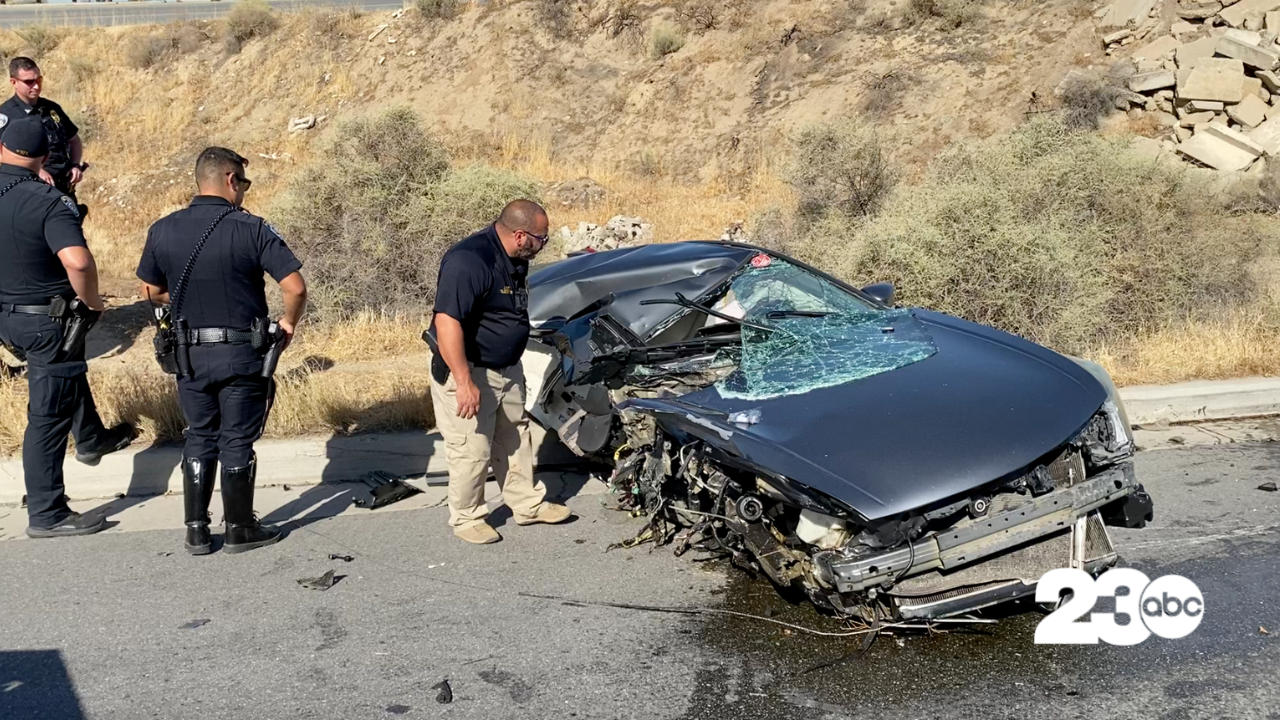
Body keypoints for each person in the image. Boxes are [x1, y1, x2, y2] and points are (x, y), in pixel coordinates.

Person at [136, 147, 307, 556]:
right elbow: (295, 287)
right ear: (230, 180)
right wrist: (288, 324)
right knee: (235, 440)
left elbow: (151, 290)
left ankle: (196, 530)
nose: (245, 191)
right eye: (244, 183)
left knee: (199, 436)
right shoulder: (251, 229)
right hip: (241, 354)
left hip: (190, 356)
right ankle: (239, 528)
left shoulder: (163, 229)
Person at [0, 117, 133, 539]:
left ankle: (91, 439)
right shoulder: (47, 200)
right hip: (45, 319)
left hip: (7, 318)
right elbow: (77, 260)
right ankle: (47, 513)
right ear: (42, 158)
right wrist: (93, 303)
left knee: (67, 373)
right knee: (47, 415)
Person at [428, 199, 574, 545]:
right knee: (471, 447)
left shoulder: (515, 257)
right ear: (521, 235)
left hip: (507, 368)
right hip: (469, 369)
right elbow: (447, 323)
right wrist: (463, 381)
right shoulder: (470, 261)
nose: (543, 245)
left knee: (513, 436)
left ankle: (526, 505)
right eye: (543, 239)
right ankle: (467, 517)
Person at [0, 58, 89, 217]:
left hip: (63, 188)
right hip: (31, 191)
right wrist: (37, 170)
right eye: (29, 81)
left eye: (38, 80)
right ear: (14, 82)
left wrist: (75, 165)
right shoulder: (6, 115)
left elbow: (73, 139)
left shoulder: (51, 108)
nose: (36, 86)